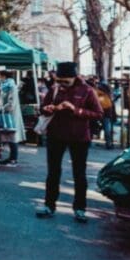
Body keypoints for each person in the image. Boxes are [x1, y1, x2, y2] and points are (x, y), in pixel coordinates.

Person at [35, 62, 103, 223]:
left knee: (79, 173)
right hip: (55, 135)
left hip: (79, 137)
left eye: (66, 81)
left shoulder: (87, 90)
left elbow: (98, 113)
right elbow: (42, 107)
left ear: (75, 77)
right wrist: (48, 108)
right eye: (59, 80)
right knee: (53, 172)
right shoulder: (54, 89)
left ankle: (80, 208)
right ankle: (49, 205)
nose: (62, 84)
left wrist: (75, 109)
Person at [0, 70, 25, 166]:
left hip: (10, 114)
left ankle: (13, 159)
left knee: (12, 136)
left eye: (0, 76)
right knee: (10, 136)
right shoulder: (7, 85)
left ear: (4, 76)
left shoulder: (10, 86)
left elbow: (10, 103)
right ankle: (11, 158)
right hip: (8, 113)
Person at [95, 78, 117, 150]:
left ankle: (107, 142)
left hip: (99, 112)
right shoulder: (107, 95)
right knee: (107, 128)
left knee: (105, 127)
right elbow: (110, 106)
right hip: (106, 113)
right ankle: (108, 143)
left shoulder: (96, 93)